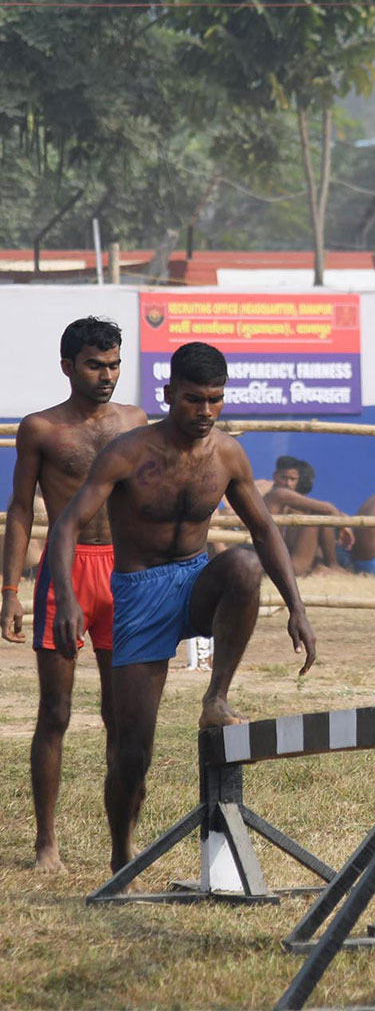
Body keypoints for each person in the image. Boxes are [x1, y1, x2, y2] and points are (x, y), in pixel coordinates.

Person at [46, 342, 316, 874]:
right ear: (169, 395)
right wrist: (68, 598)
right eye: (194, 400)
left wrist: (297, 608)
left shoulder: (228, 454)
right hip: (140, 592)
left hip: (194, 580)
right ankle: (122, 852)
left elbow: (264, 530)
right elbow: (67, 525)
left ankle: (216, 697)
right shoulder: (128, 452)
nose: (206, 411)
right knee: (132, 751)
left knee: (240, 563)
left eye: (216, 400)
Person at [1, 318, 146, 873]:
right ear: (68, 367)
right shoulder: (40, 428)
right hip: (64, 574)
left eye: (113, 364)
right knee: (55, 711)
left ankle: (124, 839)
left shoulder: (134, 421)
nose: (106, 375)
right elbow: (20, 509)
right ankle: (46, 843)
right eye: (94, 365)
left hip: (124, 573)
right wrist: (10, 590)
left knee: (123, 712)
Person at [262, 455, 351, 575]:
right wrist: (343, 526)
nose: (288, 483)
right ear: (275, 476)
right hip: (283, 567)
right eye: (284, 478)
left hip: (283, 561)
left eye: (293, 479)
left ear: (298, 481)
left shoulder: (285, 499)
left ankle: (324, 565)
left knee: (311, 513)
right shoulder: (279, 494)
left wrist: (343, 519)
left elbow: (324, 508)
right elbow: (327, 508)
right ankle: (332, 565)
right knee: (319, 515)